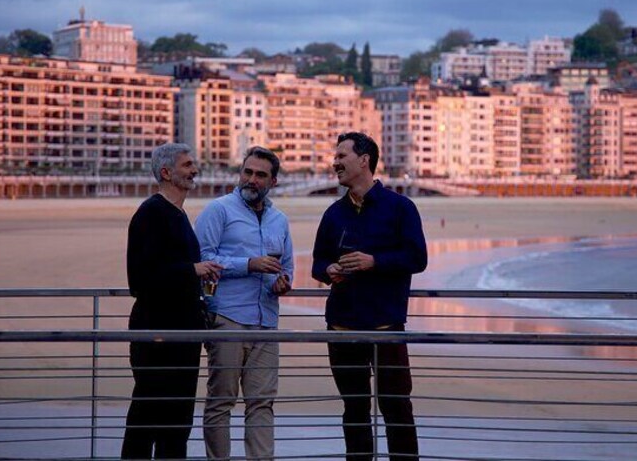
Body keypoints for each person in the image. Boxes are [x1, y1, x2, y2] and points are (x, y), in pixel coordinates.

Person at [312, 132, 427, 461]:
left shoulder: (400, 208)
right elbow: (318, 263)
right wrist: (329, 270)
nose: (335, 162)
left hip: (386, 328)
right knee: (354, 411)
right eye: (335, 156)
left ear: (364, 160)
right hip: (342, 329)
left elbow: (417, 258)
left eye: (342, 155)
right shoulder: (333, 213)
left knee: (397, 409)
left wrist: (373, 261)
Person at [122, 143, 222, 459]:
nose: (195, 170)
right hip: (157, 334)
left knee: (178, 422)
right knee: (148, 417)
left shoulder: (177, 214)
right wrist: (192, 269)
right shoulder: (151, 213)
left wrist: (198, 279)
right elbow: (139, 279)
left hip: (183, 334)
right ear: (166, 172)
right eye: (187, 165)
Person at [195, 146, 294, 461]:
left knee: (262, 403)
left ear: (273, 181)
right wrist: (248, 264)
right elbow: (202, 260)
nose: (251, 180)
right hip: (227, 318)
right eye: (248, 172)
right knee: (221, 402)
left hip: (267, 322)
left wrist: (283, 283)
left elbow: (287, 268)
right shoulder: (219, 210)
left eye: (260, 175)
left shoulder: (280, 220)